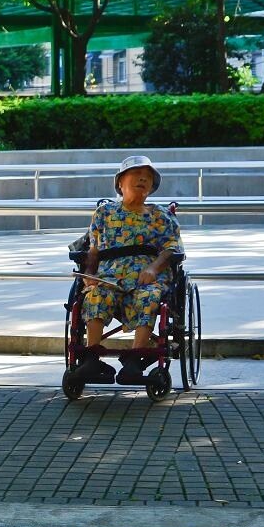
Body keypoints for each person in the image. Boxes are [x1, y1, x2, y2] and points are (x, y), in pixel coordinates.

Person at [75, 155, 184, 385]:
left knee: (150, 295)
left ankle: (135, 359)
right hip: (109, 276)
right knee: (95, 294)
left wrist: (154, 269)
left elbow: (172, 249)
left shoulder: (160, 215)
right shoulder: (104, 213)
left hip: (146, 277)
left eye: (148, 177)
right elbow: (93, 250)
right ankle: (91, 357)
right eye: (136, 174)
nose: (143, 179)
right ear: (120, 183)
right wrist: (90, 274)